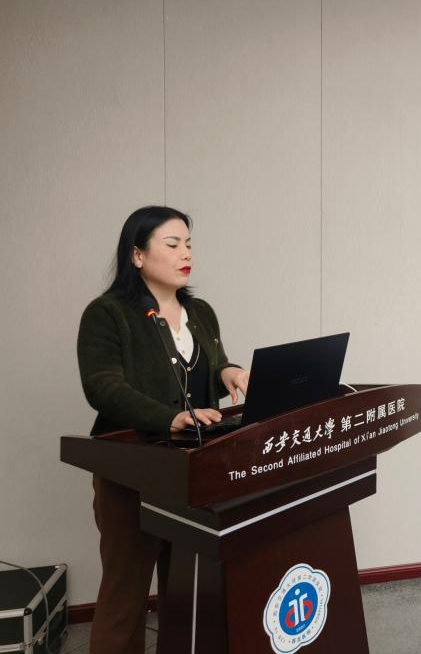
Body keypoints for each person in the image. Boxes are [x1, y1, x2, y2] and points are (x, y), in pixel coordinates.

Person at [77, 206, 249, 654]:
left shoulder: (201, 312)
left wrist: (229, 371)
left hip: (195, 469)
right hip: (130, 471)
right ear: (137, 255)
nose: (185, 253)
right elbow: (103, 387)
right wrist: (167, 418)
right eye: (172, 245)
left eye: (188, 244)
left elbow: (210, 366)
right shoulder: (107, 313)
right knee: (126, 591)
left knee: (189, 586)